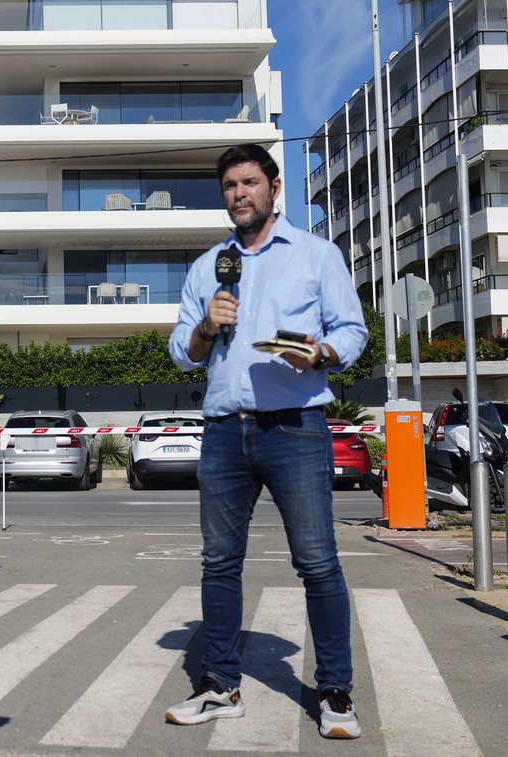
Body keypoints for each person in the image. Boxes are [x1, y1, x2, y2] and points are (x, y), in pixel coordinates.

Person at [165, 143, 368, 740]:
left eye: (249, 183)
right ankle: (220, 685)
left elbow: (351, 330)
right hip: (226, 431)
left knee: (317, 562)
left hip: (295, 426)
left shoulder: (315, 254)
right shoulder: (209, 269)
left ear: (274, 188)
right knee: (220, 563)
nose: (238, 195)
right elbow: (182, 351)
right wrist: (207, 326)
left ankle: (335, 692)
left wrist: (322, 352)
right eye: (229, 186)